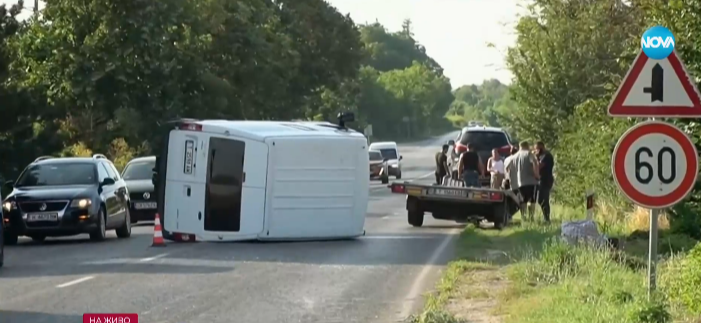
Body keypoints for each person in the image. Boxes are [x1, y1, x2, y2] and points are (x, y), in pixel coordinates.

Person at [513, 141, 540, 221]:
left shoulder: (515, 156)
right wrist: (537, 175)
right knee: (532, 200)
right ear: (527, 146)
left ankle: (523, 218)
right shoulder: (529, 154)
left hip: (520, 181)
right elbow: (534, 163)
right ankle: (531, 218)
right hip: (531, 180)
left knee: (523, 200)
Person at [535, 141, 554, 223]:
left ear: (542, 147)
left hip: (546, 179)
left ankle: (547, 218)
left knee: (544, 199)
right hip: (542, 179)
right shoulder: (541, 156)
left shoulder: (547, 156)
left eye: (538, 148)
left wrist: (535, 158)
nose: (537, 150)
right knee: (540, 199)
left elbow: (539, 166)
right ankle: (545, 217)